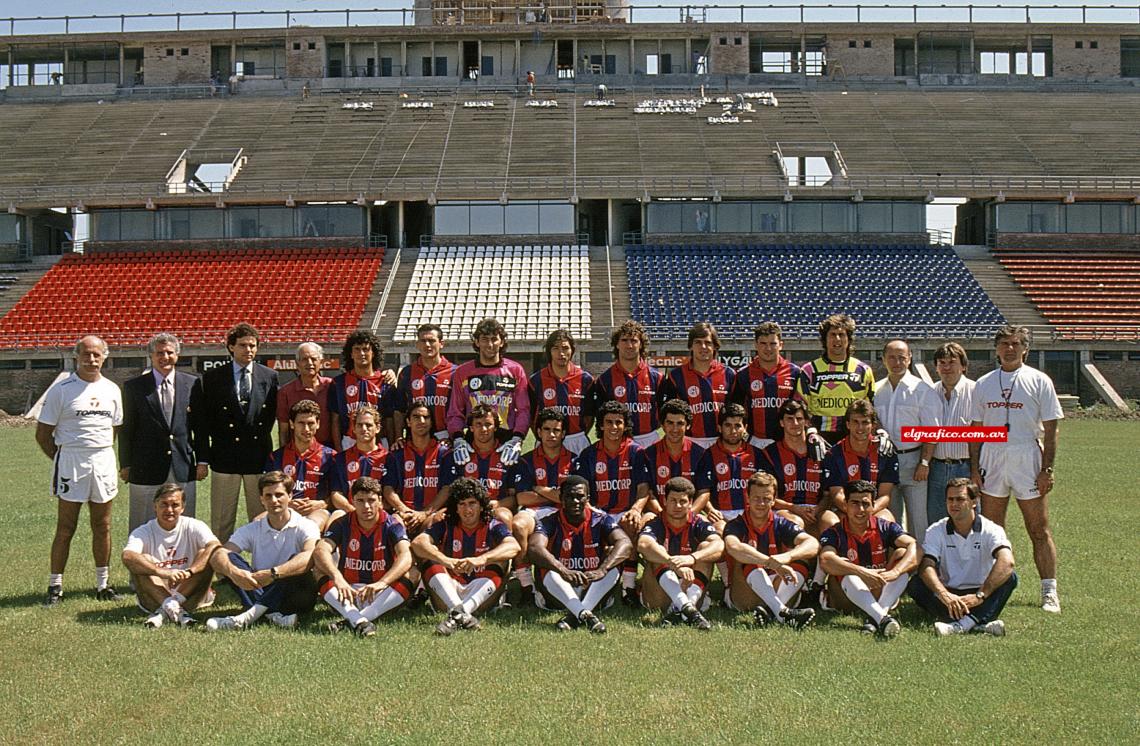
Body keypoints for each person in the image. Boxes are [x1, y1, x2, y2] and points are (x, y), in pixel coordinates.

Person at [969, 325, 1064, 613]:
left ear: (1025, 349)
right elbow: (976, 429)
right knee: (993, 530)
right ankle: (995, 587)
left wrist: (1046, 469)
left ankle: (1049, 590)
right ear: (996, 349)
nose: (1009, 349)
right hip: (993, 457)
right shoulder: (983, 383)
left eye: (1015, 344)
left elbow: (1051, 430)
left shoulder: (1039, 380)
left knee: (1038, 528)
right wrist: (975, 468)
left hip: (1026, 454)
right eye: (1004, 344)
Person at [37, 335, 124, 605]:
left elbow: (115, 428)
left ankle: (103, 584)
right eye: (86, 354)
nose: (91, 359)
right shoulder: (61, 390)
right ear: (77, 357)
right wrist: (61, 459)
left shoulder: (112, 389)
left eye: (97, 355)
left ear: (105, 357)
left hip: (103, 460)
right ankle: (55, 586)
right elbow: (43, 434)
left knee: (103, 524)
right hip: (71, 461)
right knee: (66, 526)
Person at [190, 322, 279, 543]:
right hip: (224, 456)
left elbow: (271, 417)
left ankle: (261, 565)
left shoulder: (269, 376)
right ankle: (222, 569)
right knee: (222, 519)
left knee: (261, 518)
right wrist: (203, 457)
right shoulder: (212, 378)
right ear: (231, 347)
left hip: (258, 457)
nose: (248, 350)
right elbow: (202, 422)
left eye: (252, 345)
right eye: (242, 345)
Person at [206, 471, 320, 631]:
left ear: (290, 496)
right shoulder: (253, 528)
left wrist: (274, 573)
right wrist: (234, 573)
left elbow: (310, 557)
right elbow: (218, 555)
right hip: (260, 587)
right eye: (268, 496)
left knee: (298, 560)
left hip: (296, 594)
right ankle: (273, 615)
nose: (274, 500)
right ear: (261, 499)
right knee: (229, 558)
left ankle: (247, 617)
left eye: (279, 495)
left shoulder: (306, 525)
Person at [908, 478, 1017, 637]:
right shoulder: (936, 530)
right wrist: (944, 595)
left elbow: (1007, 562)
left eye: (960, 499)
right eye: (950, 499)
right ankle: (980, 623)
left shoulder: (991, 529)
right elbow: (926, 565)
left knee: (1010, 578)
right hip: (950, 594)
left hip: (981, 591)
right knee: (916, 584)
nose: (954, 504)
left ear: (974, 501)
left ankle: (959, 626)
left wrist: (980, 596)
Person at [412, 477, 521, 636]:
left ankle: (459, 613)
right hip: (448, 591)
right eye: (461, 504)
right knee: (429, 557)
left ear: (482, 506)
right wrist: (446, 561)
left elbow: (513, 546)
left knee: (503, 560)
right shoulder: (446, 524)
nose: (467, 510)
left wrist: (481, 559)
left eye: (472, 503)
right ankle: (462, 613)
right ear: (455, 508)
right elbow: (417, 543)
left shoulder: (493, 525)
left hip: (480, 592)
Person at [571, 400, 653, 603]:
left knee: (631, 522)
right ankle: (588, 579)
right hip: (599, 512)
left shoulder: (636, 452)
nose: (614, 427)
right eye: (609, 422)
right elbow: (583, 492)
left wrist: (635, 509)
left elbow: (644, 488)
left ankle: (628, 587)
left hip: (625, 510)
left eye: (618, 422)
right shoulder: (589, 454)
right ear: (601, 425)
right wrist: (592, 511)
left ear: (625, 425)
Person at [527, 476, 633, 633]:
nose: (575, 501)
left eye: (580, 496)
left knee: (614, 559)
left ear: (588, 498)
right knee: (547, 566)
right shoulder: (549, 521)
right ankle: (586, 615)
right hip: (560, 589)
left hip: (593, 585)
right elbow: (534, 548)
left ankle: (576, 615)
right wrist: (563, 570)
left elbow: (625, 544)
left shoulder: (601, 519)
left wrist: (602, 570)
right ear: (561, 499)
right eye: (569, 496)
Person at [119, 332, 201, 532]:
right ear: (151, 356)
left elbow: (200, 426)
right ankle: (142, 561)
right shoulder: (134, 387)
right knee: (141, 522)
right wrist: (126, 464)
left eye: (169, 352)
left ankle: (185, 561)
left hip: (182, 464)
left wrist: (203, 461)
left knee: (184, 521)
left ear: (177, 355)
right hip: (145, 466)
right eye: (159, 353)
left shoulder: (193, 383)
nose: (165, 357)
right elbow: (127, 428)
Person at [314, 477, 414, 637]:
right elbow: (320, 550)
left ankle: (353, 620)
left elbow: (406, 556)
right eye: (360, 500)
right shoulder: (342, 523)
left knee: (413, 573)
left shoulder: (392, 524)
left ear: (380, 501)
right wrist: (337, 577)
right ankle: (358, 620)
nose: (366, 506)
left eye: (371, 500)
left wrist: (382, 583)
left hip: (380, 593)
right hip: (346, 593)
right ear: (352, 501)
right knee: (319, 568)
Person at [818, 480, 918, 638]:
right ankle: (881, 615)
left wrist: (895, 572)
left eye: (865, 504)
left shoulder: (885, 527)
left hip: (878, 587)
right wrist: (862, 572)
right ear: (845, 504)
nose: (860, 509)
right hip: (846, 597)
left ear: (873, 505)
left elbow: (915, 546)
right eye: (854, 503)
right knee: (845, 567)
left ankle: (877, 617)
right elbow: (825, 559)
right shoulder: (835, 531)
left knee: (901, 554)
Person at [722, 473, 818, 628]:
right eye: (756, 498)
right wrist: (772, 563)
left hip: (778, 587)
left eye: (766, 499)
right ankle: (781, 612)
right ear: (747, 498)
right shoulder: (736, 524)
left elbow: (813, 544)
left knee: (801, 558)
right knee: (748, 559)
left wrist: (787, 557)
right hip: (744, 595)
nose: (761, 503)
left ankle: (773, 611)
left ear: (774, 500)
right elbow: (734, 547)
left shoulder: (780, 523)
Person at [121, 483, 220, 628]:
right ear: (155, 506)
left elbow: (215, 546)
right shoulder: (143, 531)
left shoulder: (194, 525)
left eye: (175, 505)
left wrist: (189, 571)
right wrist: (161, 572)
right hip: (154, 594)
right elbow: (127, 556)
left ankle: (165, 610)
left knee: (207, 553)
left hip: (190, 593)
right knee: (142, 561)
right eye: (164, 504)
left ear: (183, 507)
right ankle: (177, 610)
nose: (169, 510)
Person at [636, 477, 721, 630]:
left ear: (690, 503)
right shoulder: (656, 522)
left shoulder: (698, 522)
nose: (677, 506)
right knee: (657, 552)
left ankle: (683, 608)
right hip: (658, 597)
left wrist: (691, 558)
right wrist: (673, 563)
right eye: (673, 500)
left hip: (691, 587)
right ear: (665, 501)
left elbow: (718, 545)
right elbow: (643, 544)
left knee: (706, 548)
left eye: (683, 501)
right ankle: (689, 611)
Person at [508, 407, 574, 600]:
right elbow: (522, 498)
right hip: (534, 512)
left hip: (564, 513)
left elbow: (574, 498)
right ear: (538, 432)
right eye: (546, 429)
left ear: (563, 433)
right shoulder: (526, 460)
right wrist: (557, 494)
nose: (551, 434)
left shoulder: (575, 460)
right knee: (518, 524)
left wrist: (539, 488)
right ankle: (526, 585)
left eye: (556, 430)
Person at [445, 317, 530, 468]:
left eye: (494, 339)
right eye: (484, 339)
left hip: (506, 440)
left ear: (502, 342)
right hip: (474, 439)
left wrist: (517, 438)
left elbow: (523, 410)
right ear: (477, 342)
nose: (490, 344)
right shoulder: (462, 372)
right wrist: (458, 438)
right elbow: (455, 411)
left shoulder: (515, 370)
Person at [874, 339, 930, 538]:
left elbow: (931, 431)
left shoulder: (922, 390)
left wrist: (924, 462)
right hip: (885, 461)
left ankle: (921, 566)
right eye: (891, 357)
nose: (896, 362)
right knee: (890, 519)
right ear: (883, 359)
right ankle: (898, 565)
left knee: (918, 521)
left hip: (913, 460)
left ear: (909, 359)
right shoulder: (876, 390)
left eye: (901, 357)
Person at [917, 342, 975, 526]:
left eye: (952, 362)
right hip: (936, 468)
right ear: (936, 367)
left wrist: (976, 470)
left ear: (963, 366)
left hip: (965, 466)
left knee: (966, 521)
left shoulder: (976, 391)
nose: (947, 367)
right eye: (942, 362)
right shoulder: (929, 392)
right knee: (936, 522)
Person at [796, 314, 875, 445]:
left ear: (849, 339)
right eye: (832, 335)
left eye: (841, 334)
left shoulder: (863, 370)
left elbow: (872, 408)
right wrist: (810, 431)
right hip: (818, 437)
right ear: (825, 339)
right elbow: (801, 408)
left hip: (854, 437)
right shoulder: (809, 370)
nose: (837, 339)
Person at [586, 320, 666, 448]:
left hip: (649, 440)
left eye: (634, 341)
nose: (629, 345)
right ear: (617, 344)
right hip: (617, 441)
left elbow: (664, 414)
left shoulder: (657, 378)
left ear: (641, 344)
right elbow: (601, 416)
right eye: (624, 340)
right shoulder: (604, 380)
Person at [658, 322, 734, 448]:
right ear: (691, 346)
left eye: (708, 343)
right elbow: (669, 412)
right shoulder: (676, 376)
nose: (703, 347)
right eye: (698, 342)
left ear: (715, 346)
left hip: (721, 442)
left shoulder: (729, 374)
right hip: (688, 441)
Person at [265, 400, 337, 529]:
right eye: (301, 423)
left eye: (311, 423)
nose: (306, 429)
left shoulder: (331, 457)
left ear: (318, 424)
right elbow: (268, 493)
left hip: (317, 511)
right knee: (257, 521)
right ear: (292, 424)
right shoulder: (276, 457)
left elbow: (338, 495)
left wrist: (321, 504)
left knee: (310, 525)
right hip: (284, 509)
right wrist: (287, 503)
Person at [730, 321, 802, 449]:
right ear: (756, 345)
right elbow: (736, 411)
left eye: (773, 344)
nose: (768, 348)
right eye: (763, 343)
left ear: (781, 345)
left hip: (786, 442)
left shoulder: (795, 372)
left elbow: (801, 409)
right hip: (753, 442)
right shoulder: (743, 374)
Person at [436, 404, 512, 524]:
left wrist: (498, 504)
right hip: (463, 509)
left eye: (488, 424)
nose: (484, 429)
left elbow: (515, 497)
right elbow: (449, 490)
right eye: (478, 424)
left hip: (495, 507)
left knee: (503, 516)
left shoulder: (508, 455)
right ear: (471, 428)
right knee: (434, 520)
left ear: (496, 427)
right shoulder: (457, 455)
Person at [760, 399, 827, 536]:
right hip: (786, 509)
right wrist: (794, 508)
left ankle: (830, 557)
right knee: (795, 522)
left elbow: (830, 493)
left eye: (799, 419)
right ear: (781, 423)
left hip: (816, 510)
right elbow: (768, 496)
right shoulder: (770, 453)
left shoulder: (821, 450)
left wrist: (818, 509)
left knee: (831, 523)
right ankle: (794, 557)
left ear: (807, 422)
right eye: (789, 419)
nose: (795, 423)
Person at [382, 401, 447, 534]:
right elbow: (388, 488)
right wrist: (404, 511)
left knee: (437, 521)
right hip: (405, 514)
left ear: (431, 422)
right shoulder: (396, 453)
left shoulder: (444, 453)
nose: (421, 421)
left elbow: (447, 488)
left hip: (432, 514)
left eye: (426, 417)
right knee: (394, 524)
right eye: (416, 417)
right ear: (408, 422)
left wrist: (425, 513)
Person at [327, 329, 396, 450]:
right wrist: (338, 448)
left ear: (373, 353)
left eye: (366, 349)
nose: (361, 353)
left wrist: (390, 446)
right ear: (351, 354)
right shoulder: (338, 383)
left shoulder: (385, 382)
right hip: (349, 442)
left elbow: (390, 420)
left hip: (379, 442)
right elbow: (335, 420)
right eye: (357, 349)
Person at [530, 329, 594, 454]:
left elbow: (589, 416)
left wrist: (577, 435)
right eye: (555, 348)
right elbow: (532, 417)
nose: (561, 353)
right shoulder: (536, 380)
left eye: (565, 348)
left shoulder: (586, 379)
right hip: (547, 441)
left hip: (577, 441)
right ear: (549, 351)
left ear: (572, 350)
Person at [392, 323, 455, 443]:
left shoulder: (454, 372)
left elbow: (460, 409)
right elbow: (399, 409)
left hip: (446, 438)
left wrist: (454, 436)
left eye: (431, 341)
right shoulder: (407, 373)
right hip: (416, 438)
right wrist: (399, 436)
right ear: (417, 344)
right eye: (423, 341)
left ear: (441, 343)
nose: (427, 345)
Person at [642, 399, 705, 508]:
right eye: (670, 423)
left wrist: (691, 515)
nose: (675, 429)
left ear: (688, 425)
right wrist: (663, 516)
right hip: (658, 514)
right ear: (662, 425)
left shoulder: (700, 454)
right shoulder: (648, 454)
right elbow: (648, 493)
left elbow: (703, 491)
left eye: (680, 423)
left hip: (689, 515)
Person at [330, 404, 388, 514]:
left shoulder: (389, 459)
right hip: (348, 512)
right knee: (336, 517)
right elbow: (335, 494)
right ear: (354, 429)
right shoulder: (340, 459)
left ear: (378, 428)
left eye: (368, 425)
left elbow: (390, 495)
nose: (364, 429)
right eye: (360, 425)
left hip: (380, 513)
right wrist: (353, 510)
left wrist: (371, 510)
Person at [276, 342, 334, 448]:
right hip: (299, 452)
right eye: (304, 359)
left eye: (313, 359)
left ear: (320, 362)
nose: (310, 363)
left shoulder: (331, 386)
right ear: (297, 363)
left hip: (329, 450)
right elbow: (284, 430)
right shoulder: (285, 392)